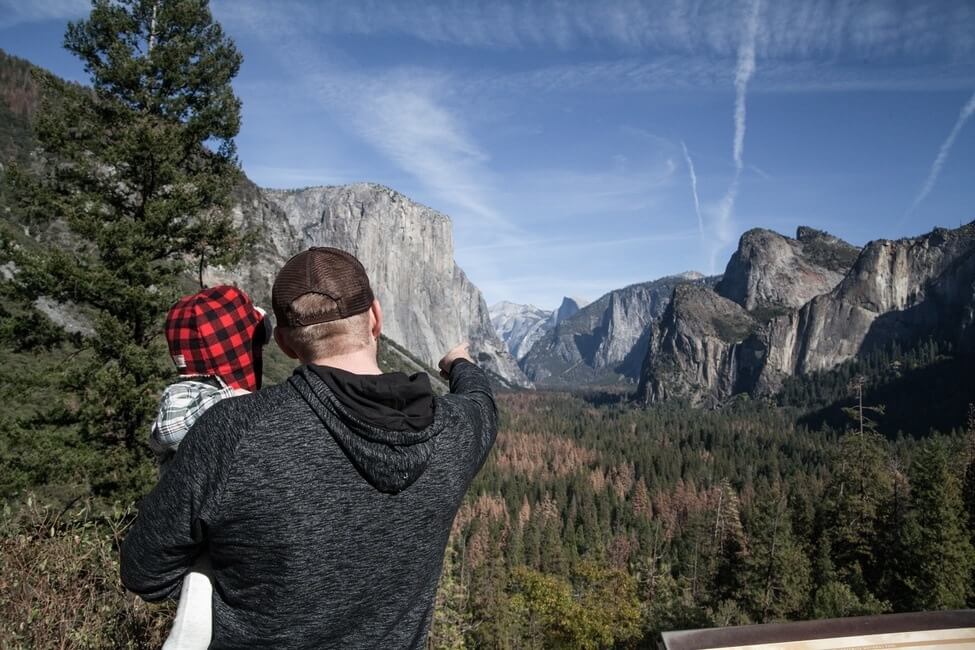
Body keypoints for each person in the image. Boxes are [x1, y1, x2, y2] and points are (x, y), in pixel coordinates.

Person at [121, 247, 498, 649]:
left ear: (284, 344)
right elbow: (482, 403)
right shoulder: (454, 432)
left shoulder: (231, 432)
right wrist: (459, 363)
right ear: (375, 318)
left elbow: (144, 571)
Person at [151, 285, 271, 649]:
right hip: (211, 537)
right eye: (255, 341)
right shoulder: (220, 409)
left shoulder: (185, 397)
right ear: (239, 351)